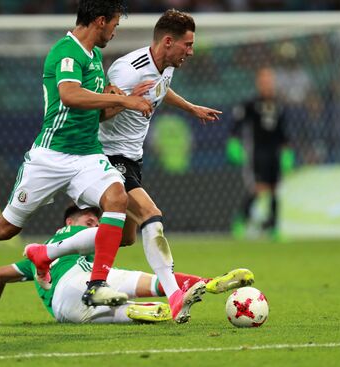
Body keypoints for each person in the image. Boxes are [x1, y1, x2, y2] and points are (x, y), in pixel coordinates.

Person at [0, 0, 154, 308]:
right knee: (5, 228)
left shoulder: (94, 55)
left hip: (86, 156)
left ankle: (97, 285)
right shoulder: (66, 52)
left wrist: (119, 102)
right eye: (115, 25)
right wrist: (125, 102)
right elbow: (69, 96)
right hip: (50, 157)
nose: (115, 32)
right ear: (101, 21)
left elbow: (95, 114)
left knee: (117, 199)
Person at [24, 9, 224, 323]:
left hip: (133, 159)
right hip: (107, 156)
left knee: (123, 238)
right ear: (168, 42)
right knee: (151, 214)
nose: (191, 51)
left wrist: (190, 107)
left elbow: (160, 89)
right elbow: (98, 113)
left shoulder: (165, 66)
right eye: (187, 44)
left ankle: (44, 253)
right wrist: (126, 99)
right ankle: (173, 295)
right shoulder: (126, 70)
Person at [0, 205, 255, 324]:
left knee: (139, 295)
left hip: (67, 305)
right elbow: (125, 238)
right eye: (87, 217)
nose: (94, 220)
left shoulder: (33, 260)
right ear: (68, 222)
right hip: (79, 281)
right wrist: (125, 204)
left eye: (96, 217)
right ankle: (201, 285)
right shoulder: (76, 237)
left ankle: (142, 310)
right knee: (147, 282)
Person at [227, 67, 293, 239]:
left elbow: (283, 132)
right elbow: (235, 125)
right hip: (257, 153)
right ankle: (241, 219)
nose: (267, 84)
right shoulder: (250, 104)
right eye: (264, 81)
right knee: (258, 188)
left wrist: (287, 151)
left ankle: (274, 228)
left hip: (274, 154)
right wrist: (233, 143)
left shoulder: (279, 106)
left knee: (275, 189)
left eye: (270, 81)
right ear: (258, 83)